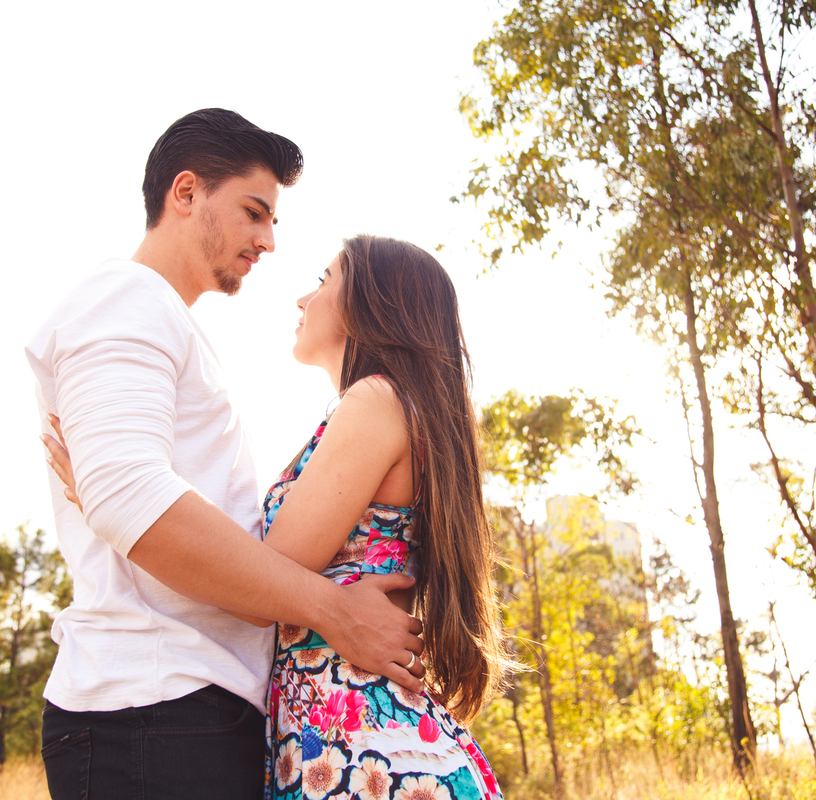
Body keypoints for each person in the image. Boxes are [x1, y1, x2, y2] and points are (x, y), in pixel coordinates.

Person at [26, 109, 424, 800]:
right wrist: (334, 610)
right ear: (186, 193)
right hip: (152, 709)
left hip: (188, 712)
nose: (267, 240)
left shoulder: (162, 319)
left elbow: (123, 495)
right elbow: (128, 496)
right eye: (253, 212)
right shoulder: (125, 298)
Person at [47, 235, 508, 799]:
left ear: (371, 303)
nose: (303, 299)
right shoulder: (394, 407)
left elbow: (263, 579)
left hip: (359, 744)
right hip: (348, 736)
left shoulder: (376, 400)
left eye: (324, 280)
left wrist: (117, 494)